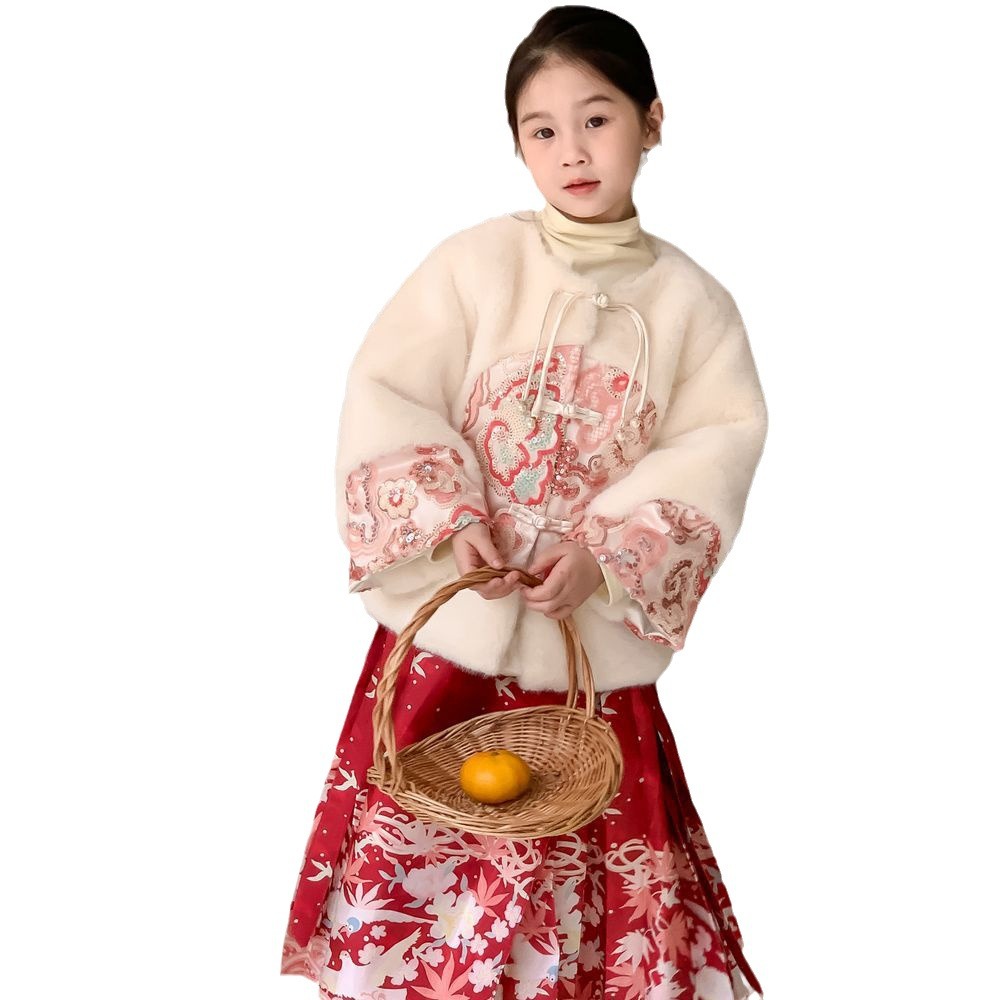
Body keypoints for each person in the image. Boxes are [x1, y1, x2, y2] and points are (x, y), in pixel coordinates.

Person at [280, 7, 768, 998]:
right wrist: (454, 522)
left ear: (652, 120)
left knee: (582, 848)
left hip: (588, 659)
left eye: (597, 118)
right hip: (452, 638)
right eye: (541, 129)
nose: (572, 150)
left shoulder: (695, 305)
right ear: (516, 143)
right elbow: (388, 393)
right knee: (422, 831)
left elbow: (715, 447)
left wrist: (606, 555)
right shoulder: (472, 267)